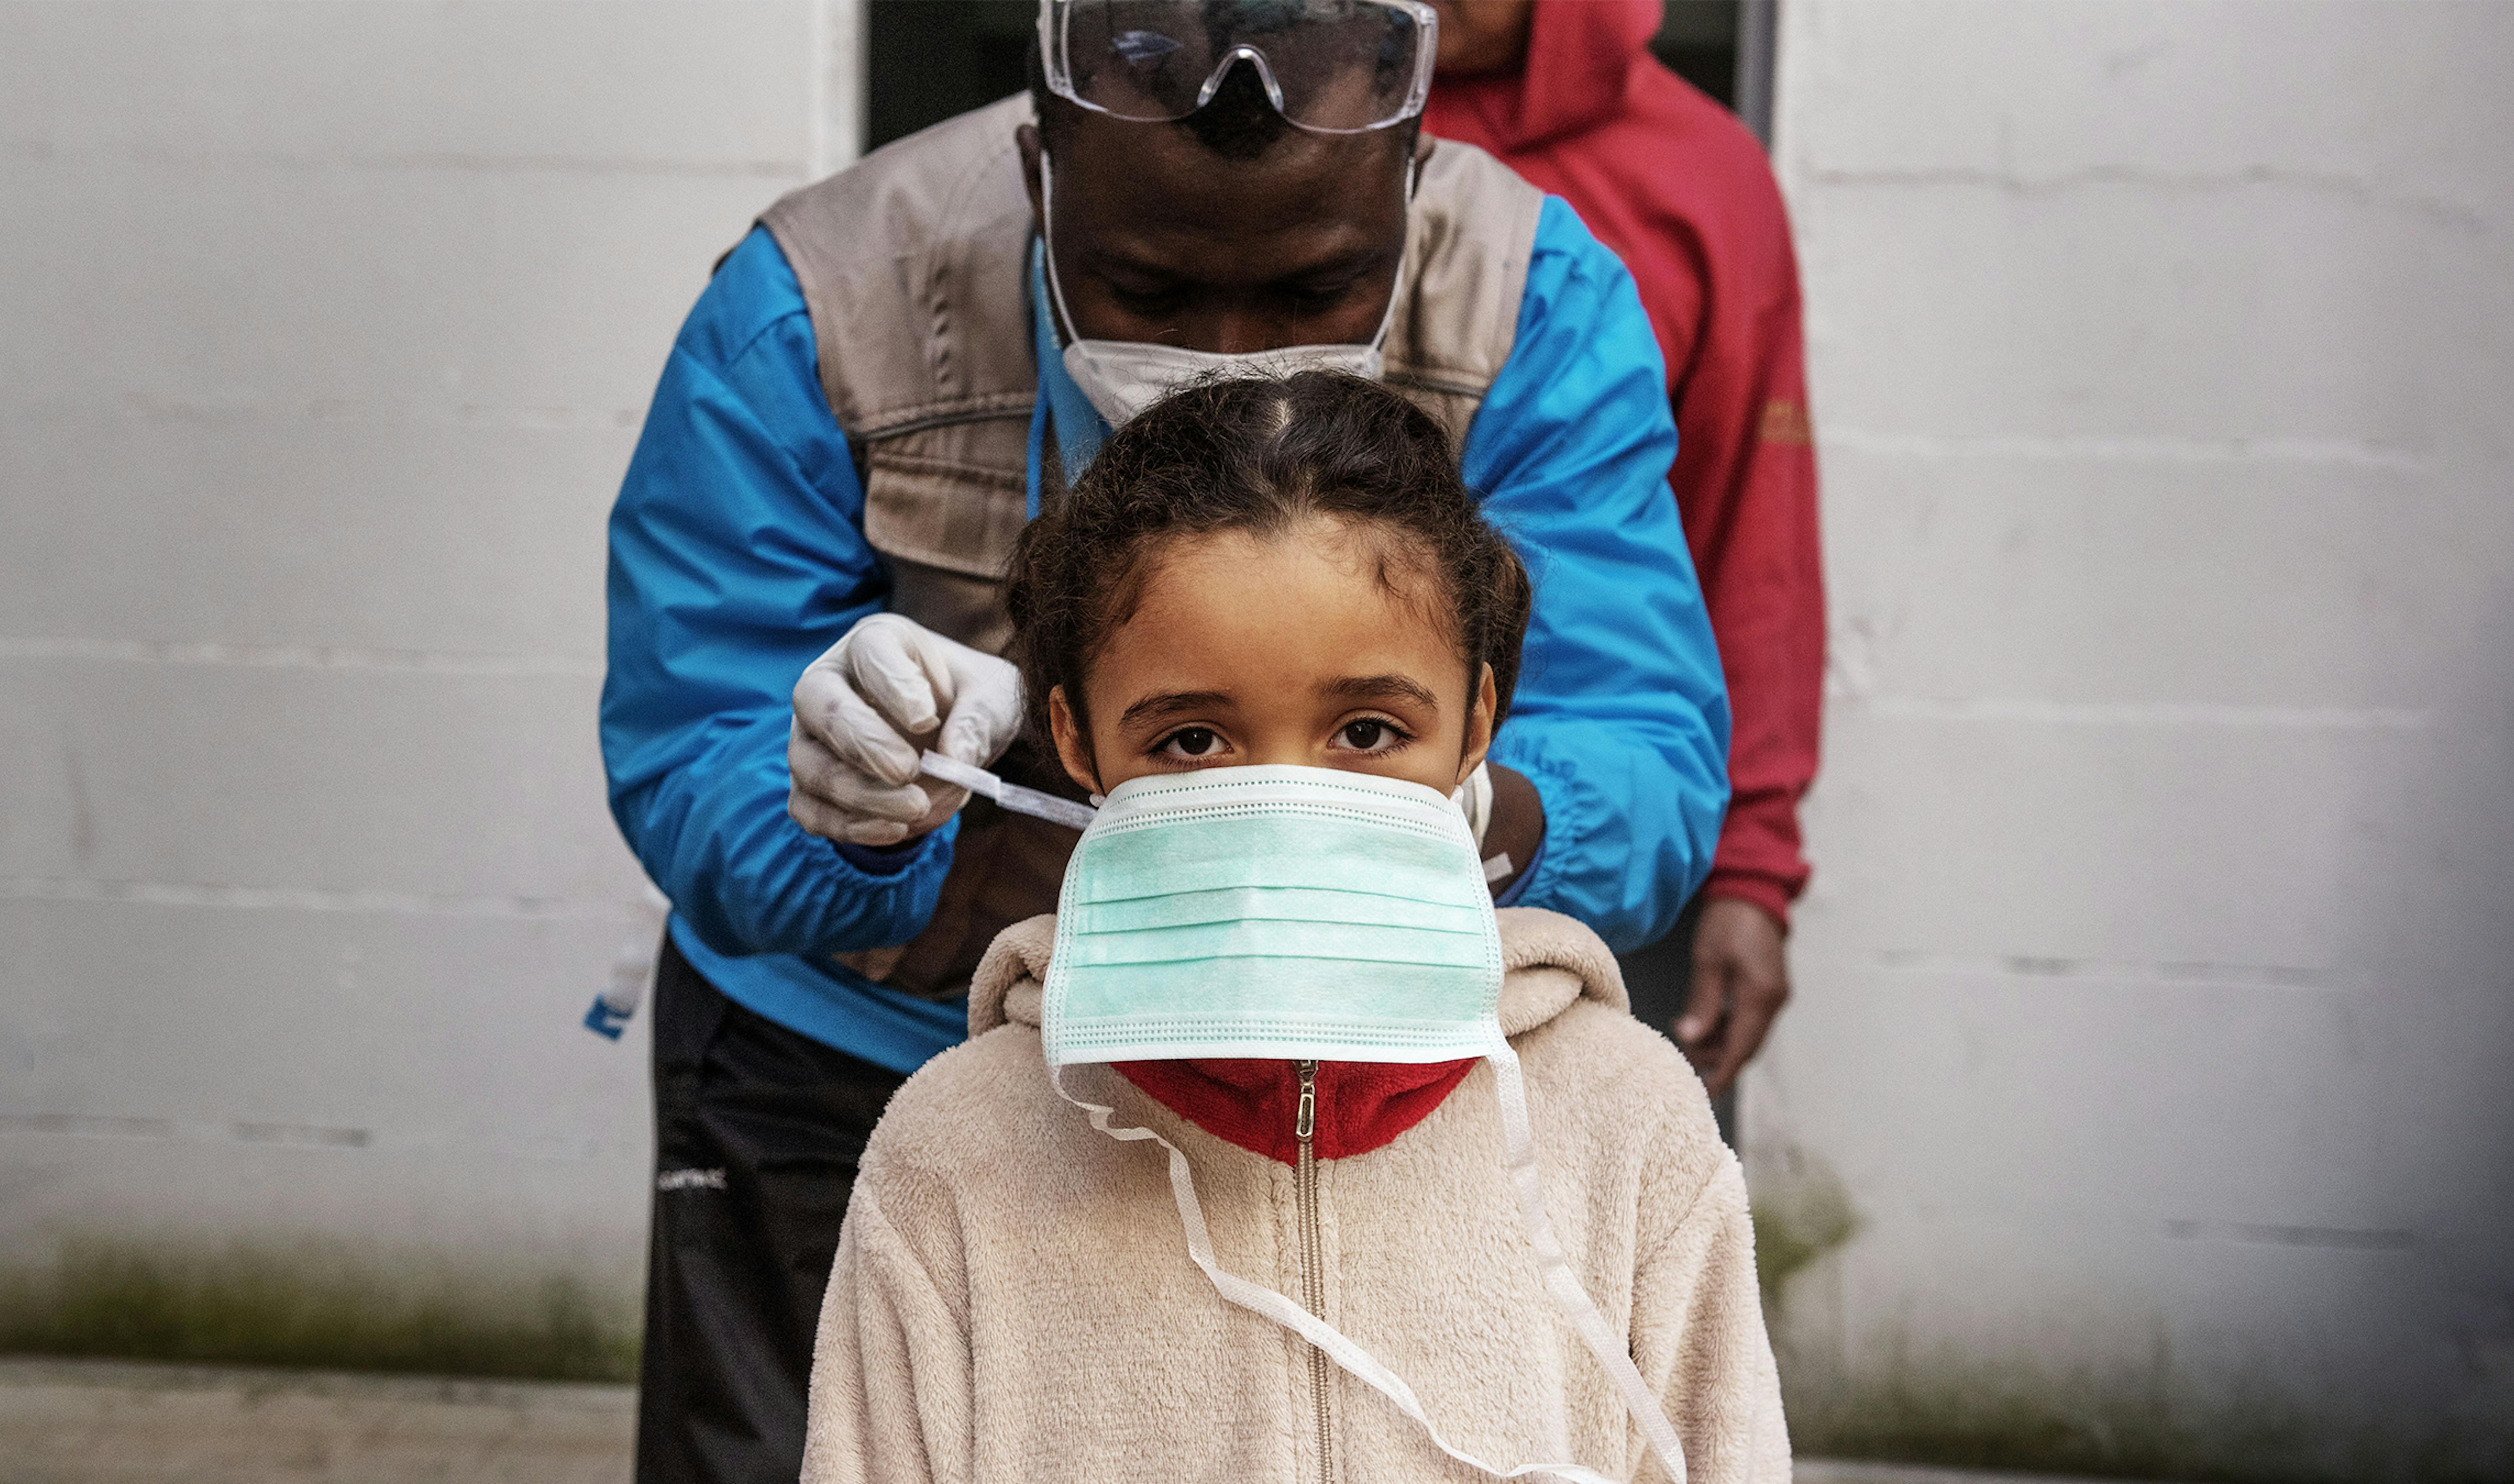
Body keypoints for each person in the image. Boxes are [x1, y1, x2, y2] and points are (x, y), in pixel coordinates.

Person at [600, 3, 1728, 1473]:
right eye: (1148, 287)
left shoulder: (1536, 304)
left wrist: (1473, 810)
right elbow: (696, 744)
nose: (1230, 358)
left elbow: (1642, 739)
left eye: (1319, 286)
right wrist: (846, 811)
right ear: (1040, 163)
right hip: (849, 1067)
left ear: (1411, 175)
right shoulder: (815, 306)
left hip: (1341, 1065)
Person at [803, 371, 1786, 1483]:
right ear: (1075, 742)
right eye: (1192, 740)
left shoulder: (1628, 1122)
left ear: (1476, 724)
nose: (1281, 804)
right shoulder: (954, 1152)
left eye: (1366, 729)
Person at [1425, 0, 1826, 1112]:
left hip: (1588, 853)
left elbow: (1754, 536)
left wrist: (1754, 865)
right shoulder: (1307, 126)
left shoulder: (1704, 177)